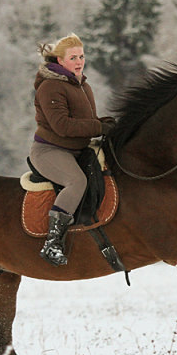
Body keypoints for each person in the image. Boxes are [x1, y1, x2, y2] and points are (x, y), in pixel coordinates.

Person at [30, 33, 115, 266]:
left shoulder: (82, 84)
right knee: (77, 182)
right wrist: (99, 126)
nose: (79, 61)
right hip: (50, 151)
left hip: (78, 149)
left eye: (82, 56)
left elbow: (87, 120)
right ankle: (52, 243)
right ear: (60, 62)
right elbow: (63, 125)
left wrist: (108, 123)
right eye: (73, 58)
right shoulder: (50, 87)